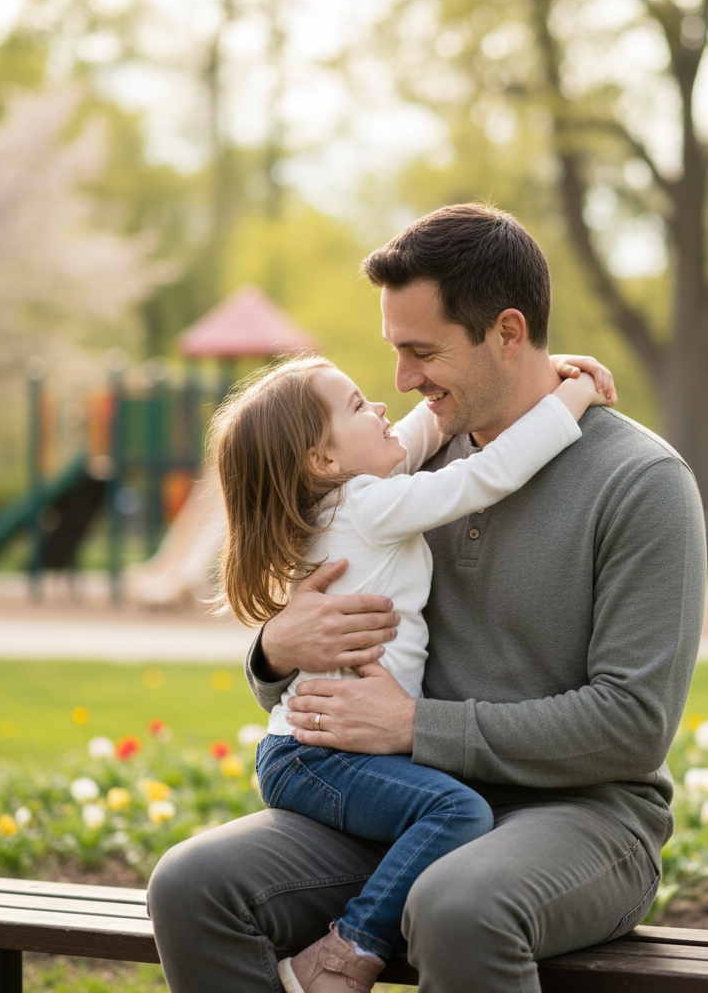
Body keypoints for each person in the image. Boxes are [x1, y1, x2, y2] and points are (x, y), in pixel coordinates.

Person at [147, 204, 707, 993]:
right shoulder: (400, 466)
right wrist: (276, 649)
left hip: (583, 818)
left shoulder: (642, 485)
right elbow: (307, 657)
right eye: (395, 352)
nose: (403, 380)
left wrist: (416, 725)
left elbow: (632, 728)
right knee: (190, 884)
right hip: (412, 801)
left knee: (457, 903)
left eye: (422, 351)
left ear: (507, 333)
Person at [207, 352, 614, 993]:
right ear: (323, 461)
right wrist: (574, 395)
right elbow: (489, 474)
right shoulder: (366, 506)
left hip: (301, 754)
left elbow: (411, 437)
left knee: (450, 814)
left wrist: (518, 377)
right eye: (356, 406)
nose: (382, 406)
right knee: (458, 814)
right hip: (324, 756)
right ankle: (346, 954)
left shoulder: (335, 504)